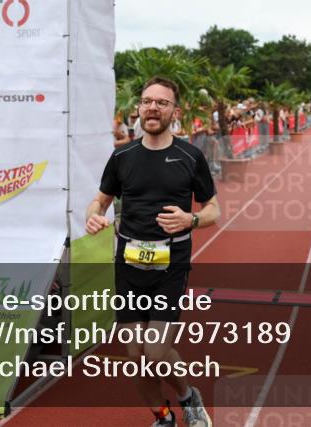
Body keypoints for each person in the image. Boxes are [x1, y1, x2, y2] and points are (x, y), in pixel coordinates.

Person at [86, 77, 220, 427]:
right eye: (147, 101)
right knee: (135, 356)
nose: (152, 108)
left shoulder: (190, 156)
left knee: (155, 353)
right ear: (138, 108)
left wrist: (190, 220)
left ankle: (189, 397)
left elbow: (214, 210)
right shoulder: (122, 155)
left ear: (174, 112)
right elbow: (100, 200)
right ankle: (163, 417)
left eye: (161, 103)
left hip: (170, 265)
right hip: (128, 263)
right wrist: (94, 217)